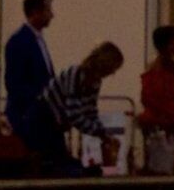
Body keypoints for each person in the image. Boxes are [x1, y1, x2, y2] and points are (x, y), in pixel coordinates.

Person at [39, 40, 124, 176]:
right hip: (43, 119)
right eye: (113, 68)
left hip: (56, 123)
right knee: (55, 164)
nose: (112, 73)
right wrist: (101, 133)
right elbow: (74, 114)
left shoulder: (95, 82)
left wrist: (102, 132)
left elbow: (91, 111)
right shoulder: (76, 74)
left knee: (62, 162)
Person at [1, 0, 63, 171]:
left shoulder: (37, 40)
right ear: (35, 12)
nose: (52, 15)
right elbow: (14, 83)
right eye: (48, 10)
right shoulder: (19, 42)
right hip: (29, 117)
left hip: (42, 115)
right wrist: (41, 98)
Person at [136, 24, 174, 176]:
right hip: (164, 130)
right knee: (164, 171)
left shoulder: (170, 67)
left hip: (170, 129)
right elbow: (161, 102)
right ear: (169, 43)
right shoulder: (160, 70)